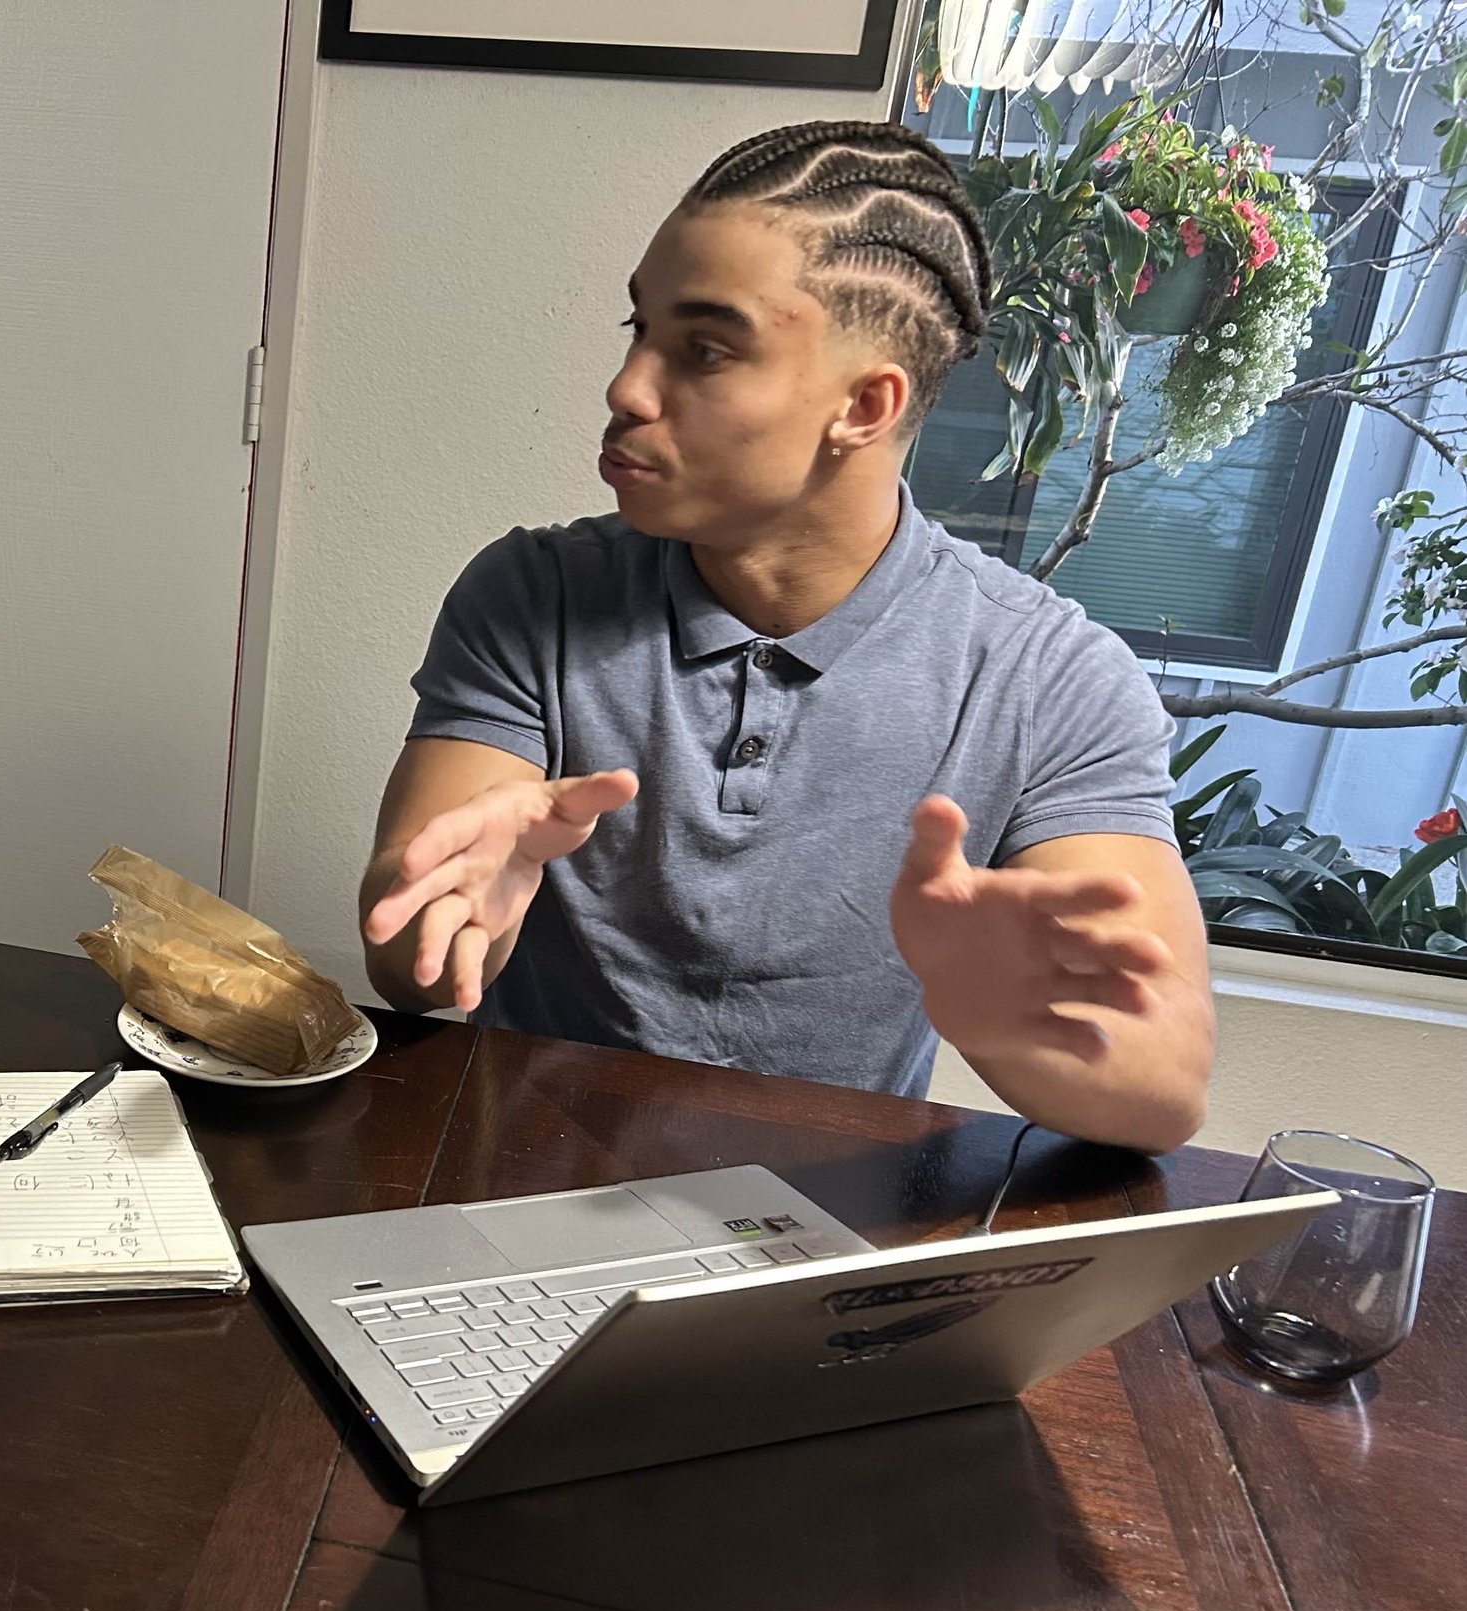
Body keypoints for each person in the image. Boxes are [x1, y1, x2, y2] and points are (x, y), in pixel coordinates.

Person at [359, 122, 1213, 1154]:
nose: (626, 388)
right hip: (519, 1188)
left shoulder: (1052, 679)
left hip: (824, 1239)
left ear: (865, 404)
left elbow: (1164, 1092)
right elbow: (409, 961)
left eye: (705, 350)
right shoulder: (532, 593)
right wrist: (449, 917)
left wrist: (1009, 1030)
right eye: (637, 329)